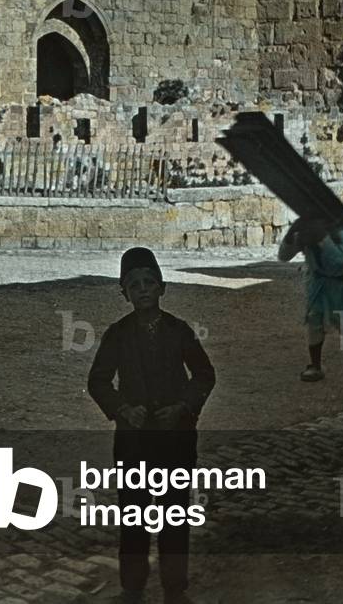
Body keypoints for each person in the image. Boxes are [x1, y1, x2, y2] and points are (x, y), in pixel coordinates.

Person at [87, 247, 216, 604]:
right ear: (123, 292)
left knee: (175, 514)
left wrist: (183, 406)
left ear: (162, 288)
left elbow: (205, 374)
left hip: (175, 440)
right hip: (134, 444)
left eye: (149, 283)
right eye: (133, 285)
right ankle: (133, 587)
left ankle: (175, 589)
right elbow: (97, 381)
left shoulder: (180, 331)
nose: (142, 290)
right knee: (135, 515)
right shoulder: (117, 334)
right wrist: (122, 409)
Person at [278, 216, 343, 381]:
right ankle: (315, 365)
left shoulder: (342, 234)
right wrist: (292, 234)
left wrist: (323, 239)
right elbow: (284, 256)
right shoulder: (305, 232)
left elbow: (339, 262)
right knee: (314, 321)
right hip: (318, 282)